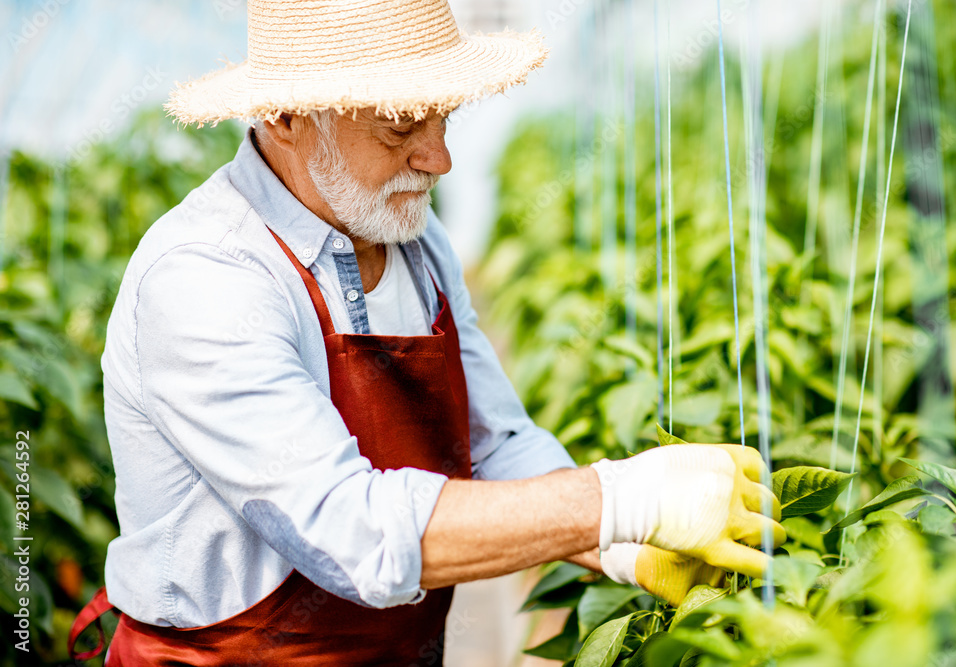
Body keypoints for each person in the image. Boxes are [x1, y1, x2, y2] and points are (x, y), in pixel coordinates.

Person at [68, 1, 785, 664]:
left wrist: (625, 544)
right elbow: (350, 530)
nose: (438, 158)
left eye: (444, 118)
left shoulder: (410, 236)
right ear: (285, 115)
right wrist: (620, 498)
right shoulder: (207, 278)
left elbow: (493, 442)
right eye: (400, 127)